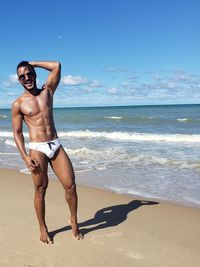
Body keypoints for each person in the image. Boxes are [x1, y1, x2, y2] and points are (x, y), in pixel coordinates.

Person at [11, 60, 83, 244]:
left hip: (55, 144)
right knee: (41, 190)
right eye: (22, 76)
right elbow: (17, 132)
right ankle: (43, 228)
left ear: (34, 74)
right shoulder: (18, 104)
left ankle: (73, 221)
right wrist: (25, 157)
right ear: (18, 80)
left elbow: (57, 66)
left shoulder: (47, 91)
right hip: (37, 149)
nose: (26, 77)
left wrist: (33, 63)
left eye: (29, 73)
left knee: (70, 186)